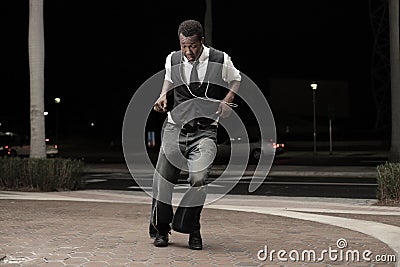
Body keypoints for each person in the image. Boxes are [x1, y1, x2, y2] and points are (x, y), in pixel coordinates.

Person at [150, 19, 241, 250]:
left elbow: (236, 79)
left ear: (202, 41)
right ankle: (161, 230)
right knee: (163, 181)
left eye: (192, 46)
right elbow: (169, 79)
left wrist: (228, 100)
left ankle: (192, 229)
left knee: (199, 179)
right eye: (184, 46)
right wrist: (162, 96)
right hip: (175, 128)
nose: (188, 52)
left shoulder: (220, 58)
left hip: (205, 130)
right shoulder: (173, 58)